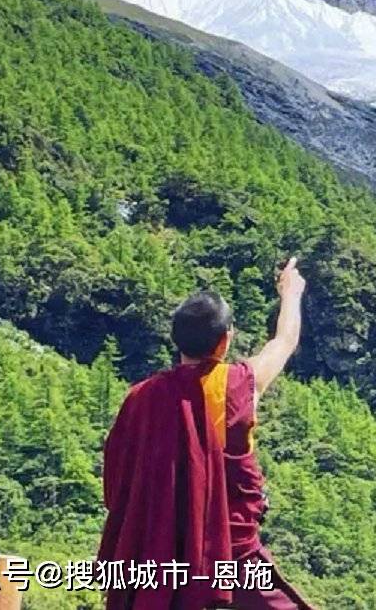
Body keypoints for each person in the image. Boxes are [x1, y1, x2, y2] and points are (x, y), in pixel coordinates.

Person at [98, 259, 313, 610]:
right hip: (230, 549)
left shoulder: (140, 397)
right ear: (224, 340)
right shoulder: (236, 386)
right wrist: (291, 291)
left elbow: (117, 485)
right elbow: (284, 340)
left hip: (156, 552)